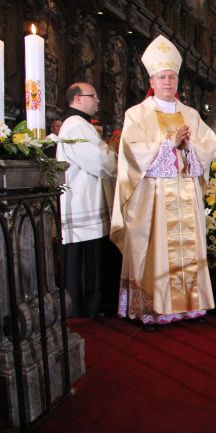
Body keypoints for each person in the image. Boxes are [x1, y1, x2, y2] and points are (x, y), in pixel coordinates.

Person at [110, 35, 216, 331]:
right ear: (152, 80)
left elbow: (210, 146)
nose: (168, 82)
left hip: (186, 195)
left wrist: (188, 147)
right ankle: (153, 308)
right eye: (162, 77)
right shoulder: (137, 114)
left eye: (172, 76)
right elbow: (133, 153)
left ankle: (190, 305)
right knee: (157, 249)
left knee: (188, 249)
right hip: (155, 199)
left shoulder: (191, 114)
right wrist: (168, 144)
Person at [57, 82, 117, 317]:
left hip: (84, 201)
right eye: (93, 96)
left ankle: (86, 306)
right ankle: (86, 308)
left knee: (84, 257)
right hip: (83, 203)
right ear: (78, 99)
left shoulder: (79, 125)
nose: (98, 100)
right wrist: (113, 151)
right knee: (86, 259)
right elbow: (101, 161)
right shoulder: (77, 126)